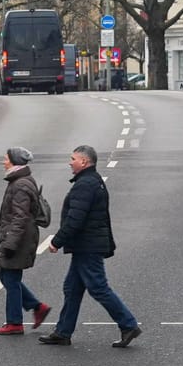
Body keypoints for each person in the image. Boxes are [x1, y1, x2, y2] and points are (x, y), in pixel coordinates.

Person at [39, 145, 142, 348]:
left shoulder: (85, 185)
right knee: (72, 288)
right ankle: (63, 332)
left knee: (98, 287)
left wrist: (56, 241)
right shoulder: (91, 181)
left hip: (88, 245)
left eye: (73, 158)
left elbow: (75, 218)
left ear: (84, 162)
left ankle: (128, 324)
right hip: (86, 244)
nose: (70, 162)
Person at [0, 148, 51, 335]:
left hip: (19, 239)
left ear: (14, 161)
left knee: (11, 278)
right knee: (6, 277)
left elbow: (20, 217)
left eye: (6, 159)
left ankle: (15, 322)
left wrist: (10, 243)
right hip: (19, 237)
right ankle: (36, 307)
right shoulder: (19, 181)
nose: (3, 162)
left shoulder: (20, 185)